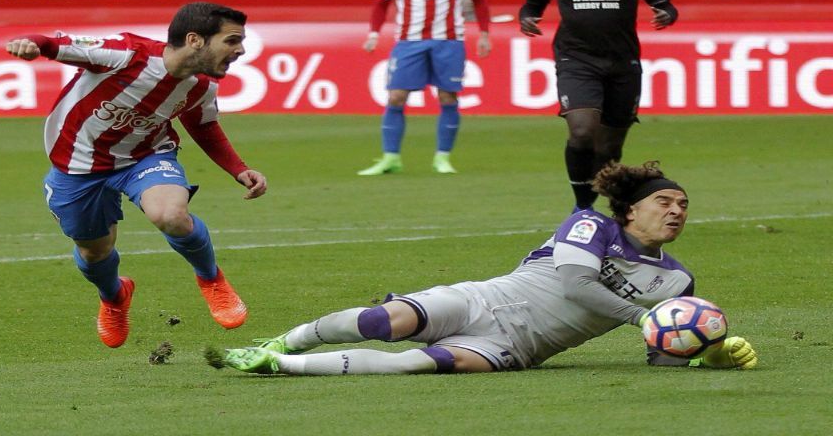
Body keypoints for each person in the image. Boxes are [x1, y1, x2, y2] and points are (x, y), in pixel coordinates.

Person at [208, 161, 758, 375]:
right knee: (382, 323)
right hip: (486, 299)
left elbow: (664, 350)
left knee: (415, 367)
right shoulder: (590, 225)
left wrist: (710, 354)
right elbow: (575, 283)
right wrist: (641, 317)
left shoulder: (678, 282)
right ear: (632, 208)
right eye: (666, 202)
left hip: (519, 348)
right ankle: (288, 339)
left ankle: (276, 367)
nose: (677, 211)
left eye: (683, 205)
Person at [4, 2, 268, 348]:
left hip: (145, 157)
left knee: (171, 215)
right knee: (93, 252)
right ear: (195, 40)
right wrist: (30, 43)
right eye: (232, 40)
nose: (240, 49)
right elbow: (58, 44)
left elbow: (203, 127)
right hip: (78, 168)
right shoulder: (127, 54)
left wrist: (238, 168)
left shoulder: (202, 87)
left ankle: (212, 280)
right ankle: (114, 297)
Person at [518, 0, 677, 212]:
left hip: (623, 63)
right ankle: (582, 206)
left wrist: (666, 13)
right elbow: (530, 7)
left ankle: (594, 202)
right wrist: (527, 19)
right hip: (576, 60)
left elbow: (664, 4)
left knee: (610, 145)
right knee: (581, 132)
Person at [357, 0, 491, 176]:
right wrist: (373, 33)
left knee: (448, 97)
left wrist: (484, 34)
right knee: (396, 97)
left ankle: (442, 157)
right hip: (409, 41)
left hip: (449, 40)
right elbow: (382, 2)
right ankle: (390, 158)